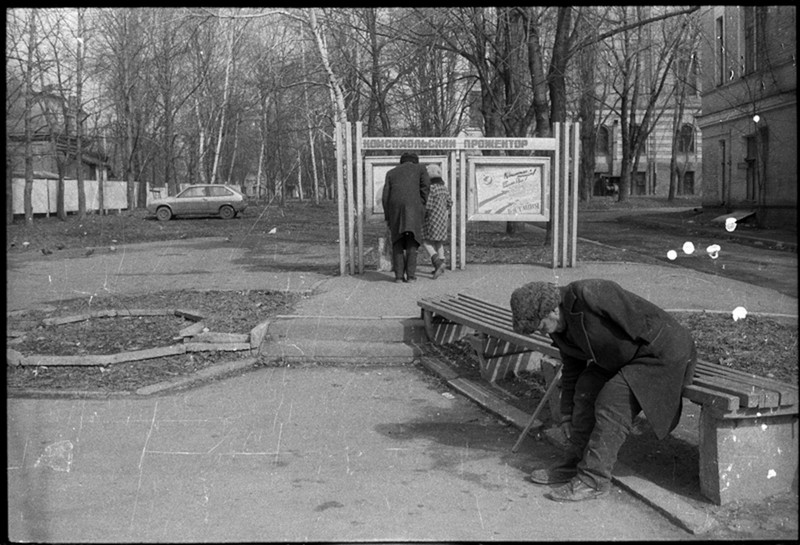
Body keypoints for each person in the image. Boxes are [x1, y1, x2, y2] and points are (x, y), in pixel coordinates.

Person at [509, 279, 697, 502]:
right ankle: (572, 465)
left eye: (541, 326)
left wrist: (621, 375)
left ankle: (594, 480)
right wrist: (567, 413)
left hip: (659, 351)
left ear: (551, 309)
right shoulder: (558, 327)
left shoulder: (590, 294)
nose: (542, 333)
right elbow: (572, 368)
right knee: (586, 388)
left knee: (612, 400)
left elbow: (639, 325)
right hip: (622, 358)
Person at [382, 152, 430, 283]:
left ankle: (398, 277)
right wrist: (421, 205)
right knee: (412, 240)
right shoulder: (421, 169)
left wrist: (388, 216)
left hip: (395, 210)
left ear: (401, 161)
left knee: (397, 241)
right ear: (415, 161)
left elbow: (385, 196)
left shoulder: (391, 172)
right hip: (414, 209)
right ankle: (411, 276)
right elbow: (426, 188)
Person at [421, 163, 453, 279]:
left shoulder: (431, 188)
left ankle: (437, 263)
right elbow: (450, 203)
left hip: (431, 219)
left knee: (425, 241)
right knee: (439, 242)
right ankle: (441, 262)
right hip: (442, 219)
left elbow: (428, 205)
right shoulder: (443, 188)